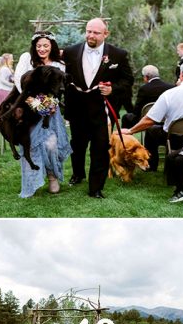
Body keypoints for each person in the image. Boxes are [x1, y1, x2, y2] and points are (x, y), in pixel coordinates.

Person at [62, 18, 134, 199]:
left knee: (100, 149)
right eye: (88, 31)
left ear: (105, 34)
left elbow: (128, 81)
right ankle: (78, 174)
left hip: (103, 112)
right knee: (77, 146)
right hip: (77, 110)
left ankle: (95, 188)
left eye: (95, 32)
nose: (91, 35)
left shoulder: (118, 55)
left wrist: (112, 89)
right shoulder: (70, 52)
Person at [13, 31, 72, 197]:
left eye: (45, 45)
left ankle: (53, 177)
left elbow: (60, 87)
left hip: (51, 113)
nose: (42, 49)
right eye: (39, 46)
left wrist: (51, 104)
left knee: (51, 144)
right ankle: (31, 183)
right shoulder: (27, 60)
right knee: (30, 145)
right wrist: (31, 100)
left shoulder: (59, 64)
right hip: (28, 110)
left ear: (51, 46)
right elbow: (18, 80)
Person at [121, 60, 183, 172]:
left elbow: (149, 120)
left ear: (181, 74)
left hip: (172, 137)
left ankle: (152, 166)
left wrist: (131, 131)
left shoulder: (169, 94)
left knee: (151, 130)